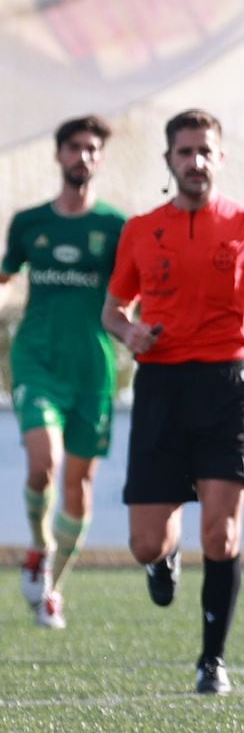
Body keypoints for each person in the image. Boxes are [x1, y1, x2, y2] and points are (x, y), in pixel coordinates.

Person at [100, 108, 244, 692]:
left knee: (220, 534)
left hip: (226, 389)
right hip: (162, 389)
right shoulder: (142, 230)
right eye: (184, 151)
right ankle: (161, 561)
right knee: (147, 539)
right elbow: (113, 312)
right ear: (170, 161)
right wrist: (130, 332)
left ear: (220, 158)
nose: (195, 161)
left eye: (205, 151)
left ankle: (211, 661)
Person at [4, 114, 126, 629]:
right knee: (43, 462)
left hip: (92, 369)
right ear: (58, 155)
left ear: (100, 158)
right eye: (75, 147)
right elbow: (5, 276)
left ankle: (51, 582)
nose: (83, 156)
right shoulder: (29, 223)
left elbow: (130, 298)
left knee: (77, 487)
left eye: (92, 149)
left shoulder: (116, 227)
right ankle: (38, 547)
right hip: (36, 358)